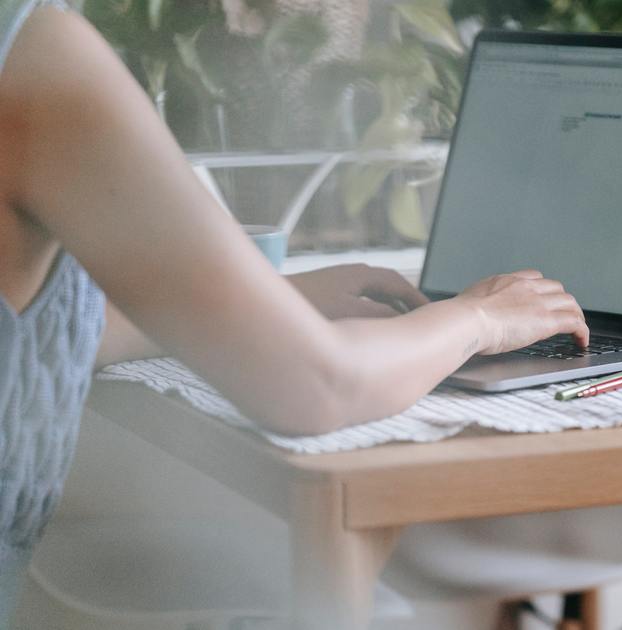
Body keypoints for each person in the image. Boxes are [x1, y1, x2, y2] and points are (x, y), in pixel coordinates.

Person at [0, 0, 589, 619]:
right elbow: (318, 387)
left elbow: (35, 347)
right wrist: (483, 318)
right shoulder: (36, 53)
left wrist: (271, 307)